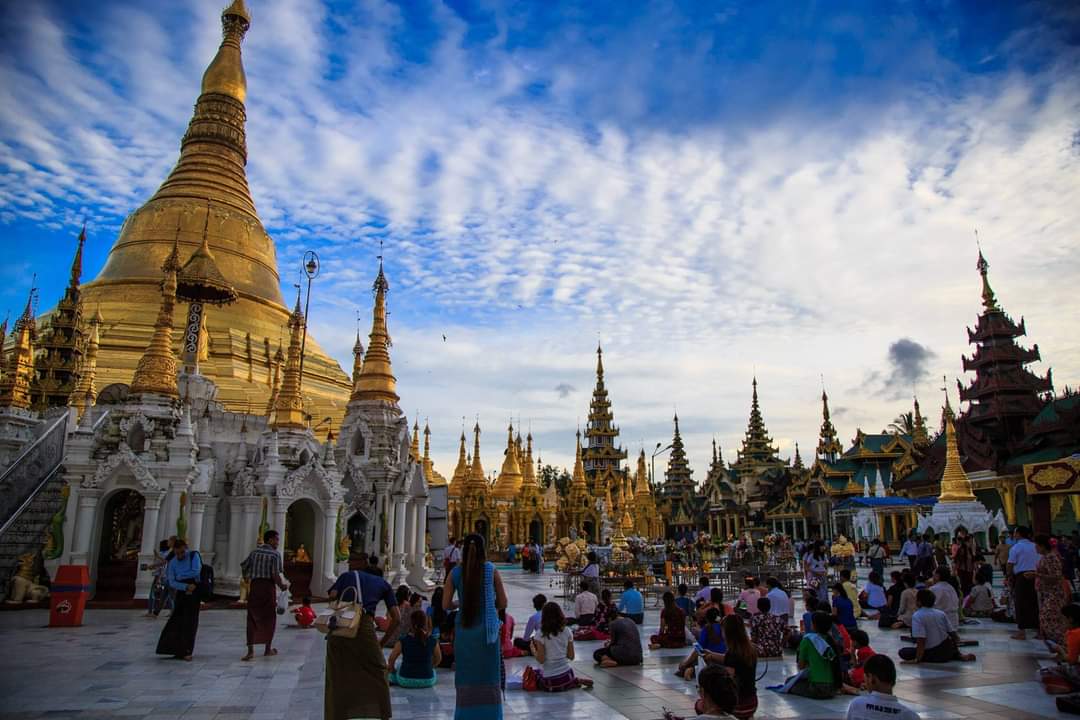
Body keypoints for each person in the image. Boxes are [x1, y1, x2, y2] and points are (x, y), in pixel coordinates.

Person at [325, 551, 398, 720]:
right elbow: (397, 618)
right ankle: (383, 714)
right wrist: (382, 642)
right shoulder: (383, 584)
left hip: (341, 624)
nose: (350, 563)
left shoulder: (346, 576)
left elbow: (333, 596)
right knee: (379, 669)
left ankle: (336, 715)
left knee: (337, 672)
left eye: (352, 560)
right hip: (364, 625)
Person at [443, 533, 507, 719]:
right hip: (487, 635)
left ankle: (465, 715)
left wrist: (459, 603)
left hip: (464, 633)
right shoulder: (491, 570)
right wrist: (488, 604)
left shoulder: (455, 573)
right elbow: (503, 602)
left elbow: (446, 605)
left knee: (466, 678)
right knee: (488, 678)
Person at [239, 530, 289, 661]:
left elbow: (244, 566)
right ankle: (267, 648)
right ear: (270, 540)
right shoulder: (275, 555)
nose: (278, 543)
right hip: (267, 588)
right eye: (276, 540)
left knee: (252, 617)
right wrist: (282, 586)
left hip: (255, 587)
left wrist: (246, 579)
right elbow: (275, 574)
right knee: (269, 617)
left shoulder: (254, 552)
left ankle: (250, 651)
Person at [702, 614, 759, 719]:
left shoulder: (733, 653)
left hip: (739, 706)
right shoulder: (749, 649)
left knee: (701, 705)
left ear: (727, 633)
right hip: (752, 702)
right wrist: (711, 655)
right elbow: (729, 660)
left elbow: (728, 681)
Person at [154, 539, 202, 661]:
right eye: (177, 553)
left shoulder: (193, 556)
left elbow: (196, 571)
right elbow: (172, 581)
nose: (180, 555)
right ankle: (175, 649)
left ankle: (187, 650)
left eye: (181, 552)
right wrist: (184, 585)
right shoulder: (173, 562)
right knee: (177, 620)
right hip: (181, 591)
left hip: (194, 590)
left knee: (190, 622)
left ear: (185, 548)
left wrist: (181, 576)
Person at [898, 590, 975, 663]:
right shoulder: (941, 613)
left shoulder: (917, 615)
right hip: (948, 649)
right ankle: (957, 655)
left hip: (934, 653)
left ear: (919, 602)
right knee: (947, 642)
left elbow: (921, 639)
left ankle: (927, 657)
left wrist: (918, 659)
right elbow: (952, 633)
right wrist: (957, 650)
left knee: (903, 652)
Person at [530, 601, 593, 690]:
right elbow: (571, 656)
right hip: (567, 675)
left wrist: (533, 650)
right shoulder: (567, 631)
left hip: (550, 681)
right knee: (563, 679)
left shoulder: (540, 633)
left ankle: (573, 682)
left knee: (536, 674)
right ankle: (574, 681)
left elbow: (541, 659)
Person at [782, 611, 842, 699]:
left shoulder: (808, 640)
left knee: (789, 682)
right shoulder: (831, 641)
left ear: (814, 625)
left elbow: (801, 666)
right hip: (833, 688)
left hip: (817, 688)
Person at [845, 654, 921, 720]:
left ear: (871, 678)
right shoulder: (910, 716)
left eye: (865, 679)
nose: (865, 683)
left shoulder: (857, 705)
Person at [387, 609, 441, 688]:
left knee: (397, 669)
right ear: (425, 624)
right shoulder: (432, 640)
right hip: (427, 680)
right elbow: (438, 659)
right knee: (433, 671)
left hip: (405, 680)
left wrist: (392, 671)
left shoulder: (403, 640)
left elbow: (391, 659)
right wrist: (430, 666)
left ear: (411, 624)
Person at [1036, 533, 1069, 648]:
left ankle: (1064, 646)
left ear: (1043, 546)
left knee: (1050, 619)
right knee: (1048, 619)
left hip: (1055, 594)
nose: (1035, 548)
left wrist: (1037, 575)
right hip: (1047, 593)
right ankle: (1060, 648)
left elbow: (1056, 576)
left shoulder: (1051, 557)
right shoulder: (1045, 557)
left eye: (1037, 545)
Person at [1008, 526, 1039, 640]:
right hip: (1036, 576)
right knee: (1035, 602)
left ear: (1019, 534)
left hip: (1022, 577)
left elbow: (1010, 564)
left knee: (1021, 603)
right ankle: (1039, 631)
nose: (1014, 535)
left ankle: (1022, 631)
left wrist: (1009, 576)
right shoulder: (1035, 546)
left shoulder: (1016, 548)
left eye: (1015, 533)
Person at [677, 606, 725, 679]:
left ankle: (691, 670)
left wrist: (686, 663)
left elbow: (698, 649)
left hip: (710, 659)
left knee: (693, 662)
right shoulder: (724, 628)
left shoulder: (707, 629)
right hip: (723, 660)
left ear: (706, 618)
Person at [146, 539, 173, 619]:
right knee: (167, 595)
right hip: (166, 576)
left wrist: (158, 578)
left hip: (160, 576)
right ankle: (170, 611)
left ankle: (151, 611)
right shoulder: (169, 554)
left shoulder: (161, 554)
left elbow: (161, 566)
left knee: (153, 594)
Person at [929, 567, 960, 633]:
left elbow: (929, 606)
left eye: (933, 575)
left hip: (941, 622)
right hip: (954, 621)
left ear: (937, 576)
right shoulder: (951, 588)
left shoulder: (934, 589)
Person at [952, 528, 977, 596]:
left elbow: (973, 560)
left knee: (969, 585)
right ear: (966, 542)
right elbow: (956, 560)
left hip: (969, 570)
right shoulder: (961, 549)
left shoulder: (970, 550)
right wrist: (954, 571)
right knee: (964, 586)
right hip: (963, 570)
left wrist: (975, 569)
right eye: (969, 541)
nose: (971, 543)